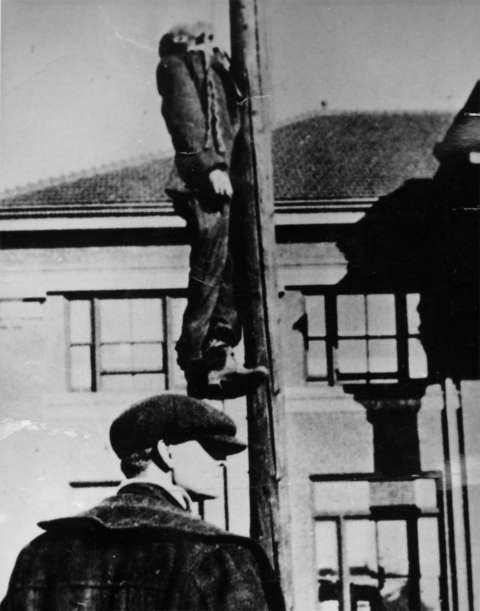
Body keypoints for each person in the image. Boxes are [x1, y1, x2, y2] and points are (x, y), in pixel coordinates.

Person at [1, 394, 285, 611]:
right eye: (212, 449)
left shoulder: (42, 552)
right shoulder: (220, 556)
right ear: (167, 453)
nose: (222, 462)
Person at [156, 22, 268, 399]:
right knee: (211, 261)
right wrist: (210, 167)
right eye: (205, 39)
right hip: (204, 180)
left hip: (229, 179)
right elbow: (188, 118)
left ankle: (219, 352)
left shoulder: (215, 66)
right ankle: (197, 355)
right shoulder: (177, 65)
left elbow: (239, 107)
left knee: (229, 264)